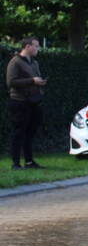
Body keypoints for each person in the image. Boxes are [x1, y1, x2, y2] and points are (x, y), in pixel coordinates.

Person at [6, 37, 47, 170]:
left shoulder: (34, 63)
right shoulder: (15, 62)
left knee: (30, 132)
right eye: (36, 46)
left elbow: (35, 78)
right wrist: (32, 81)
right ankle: (15, 163)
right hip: (19, 102)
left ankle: (29, 161)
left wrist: (39, 82)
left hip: (33, 101)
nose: (37, 49)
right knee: (18, 132)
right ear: (27, 46)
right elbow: (11, 82)